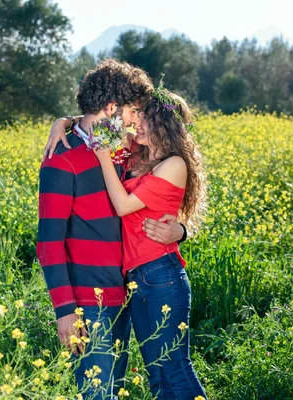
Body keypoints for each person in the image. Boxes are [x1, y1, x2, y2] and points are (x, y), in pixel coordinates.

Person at [36, 59, 186, 399]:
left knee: (114, 390)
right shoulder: (60, 159)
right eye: (134, 111)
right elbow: (49, 244)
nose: (137, 120)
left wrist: (180, 231)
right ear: (111, 107)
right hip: (89, 303)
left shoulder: (122, 149)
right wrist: (64, 311)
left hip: (127, 294)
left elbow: (162, 196)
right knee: (96, 393)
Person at [93, 85, 208, 399]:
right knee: (157, 375)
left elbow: (123, 206)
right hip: (137, 279)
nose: (137, 123)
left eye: (146, 118)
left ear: (163, 126)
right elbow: (98, 120)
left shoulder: (174, 164)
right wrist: (61, 122)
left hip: (161, 276)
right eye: (139, 116)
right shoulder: (139, 155)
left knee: (175, 370)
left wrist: (104, 157)